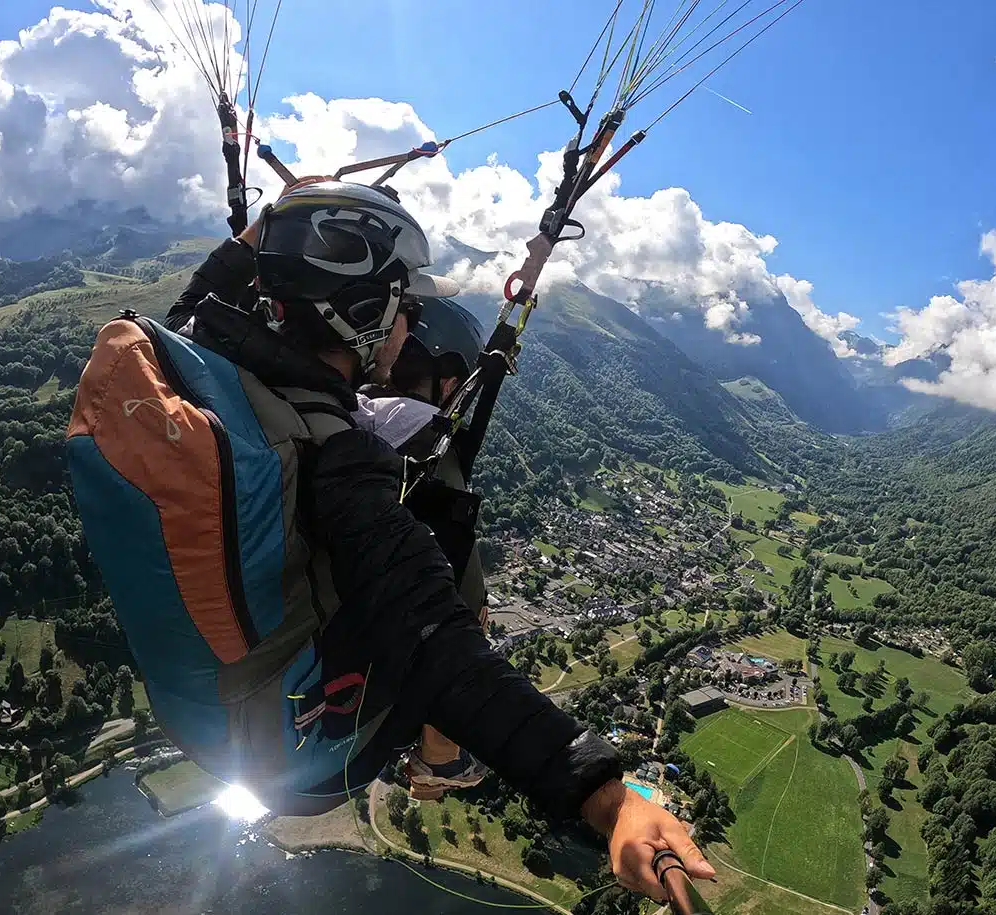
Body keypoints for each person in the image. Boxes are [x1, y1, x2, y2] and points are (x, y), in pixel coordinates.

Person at [165, 178, 713, 902]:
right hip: (309, 760)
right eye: (403, 303)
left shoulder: (196, 370)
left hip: (198, 705)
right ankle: (440, 756)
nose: (409, 321)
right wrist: (604, 794)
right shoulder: (340, 459)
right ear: (361, 312)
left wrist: (277, 226)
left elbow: (198, 297)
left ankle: (438, 754)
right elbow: (435, 643)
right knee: (453, 581)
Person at [354, 296, 493, 799]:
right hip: (358, 676)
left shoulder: (339, 409)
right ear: (451, 384)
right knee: (470, 613)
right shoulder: (428, 450)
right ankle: (440, 756)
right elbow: (461, 607)